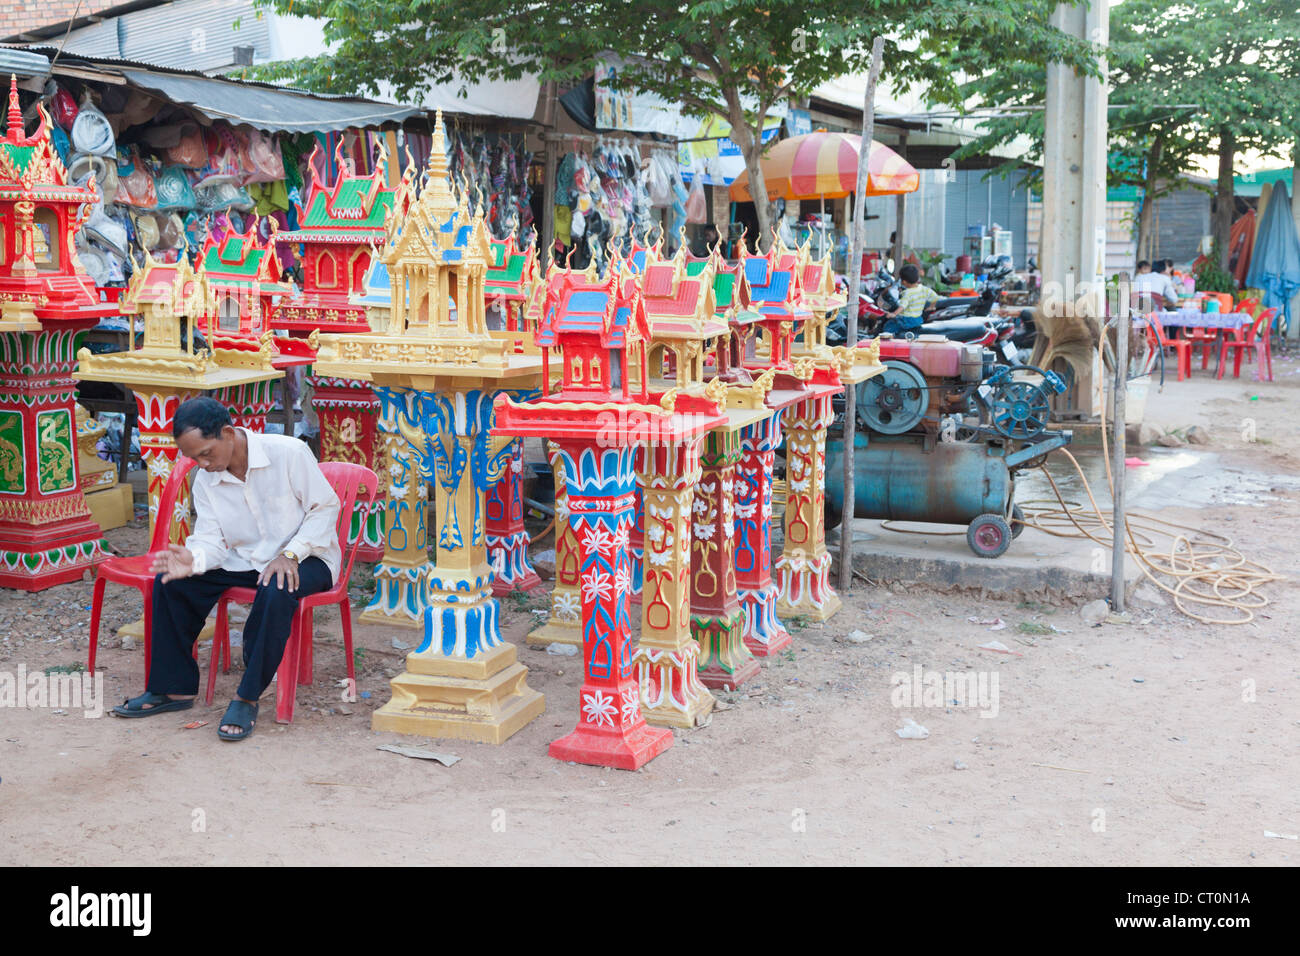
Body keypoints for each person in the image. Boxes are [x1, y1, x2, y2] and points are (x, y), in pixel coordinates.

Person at [111, 397, 341, 741]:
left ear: (229, 433)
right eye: (194, 459)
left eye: (206, 453)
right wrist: (195, 559)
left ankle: (247, 697)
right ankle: (173, 690)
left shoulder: (289, 453)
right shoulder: (206, 480)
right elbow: (211, 540)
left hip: (309, 557)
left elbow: (325, 507)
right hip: (245, 559)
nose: (202, 464)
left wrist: (291, 554)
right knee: (172, 583)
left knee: (278, 588)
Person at [883, 263, 940, 335]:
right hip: (918, 319)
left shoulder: (907, 293)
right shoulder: (924, 289)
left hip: (906, 320)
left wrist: (893, 314)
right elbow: (935, 297)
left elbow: (902, 306)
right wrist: (931, 307)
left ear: (904, 282)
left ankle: (888, 341)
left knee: (888, 326)